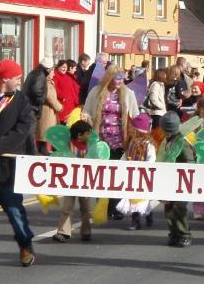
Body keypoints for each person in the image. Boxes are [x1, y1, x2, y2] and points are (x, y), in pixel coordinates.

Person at [82, 64, 140, 219]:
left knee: (118, 175)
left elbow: (135, 115)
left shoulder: (128, 93)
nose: (119, 81)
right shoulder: (96, 92)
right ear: (109, 78)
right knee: (101, 175)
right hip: (100, 140)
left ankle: (114, 206)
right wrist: (85, 116)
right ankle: (102, 206)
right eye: (116, 78)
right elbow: (86, 110)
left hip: (120, 141)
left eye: (121, 78)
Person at [0, 59, 36, 266]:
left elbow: (23, 129)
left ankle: (25, 244)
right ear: (5, 79)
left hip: (7, 168)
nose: (20, 81)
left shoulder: (21, 101)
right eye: (17, 78)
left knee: (14, 211)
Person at [52, 121, 95, 243]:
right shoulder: (68, 145)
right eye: (88, 134)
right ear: (80, 135)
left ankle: (86, 231)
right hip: (70, 181)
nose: (90, 136)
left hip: (85, 181)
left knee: (85, 207)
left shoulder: (90, 146)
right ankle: (63, 232)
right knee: (67, 207)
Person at [157, 111, 194, 247]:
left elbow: (189, 162)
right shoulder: (167, 140)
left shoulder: (182, 142)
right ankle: (174, 233)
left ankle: (184, 234)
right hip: (167, 181)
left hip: (180, 181)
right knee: (169, 209)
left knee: (180, 208)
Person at [116, 114, 157, 230]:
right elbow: (125, 155)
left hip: (143, 175)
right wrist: (122, 164)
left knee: (142, 199)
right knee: (133, 198)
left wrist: (143, 168)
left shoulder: (148, 145)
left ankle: (144, 216)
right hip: (132, 175)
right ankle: (136, 220)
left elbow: (151, 159)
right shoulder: (131, 143)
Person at [22, 55, 54, 153]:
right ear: (48, 68)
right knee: (30, 132)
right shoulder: (40, 75)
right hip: (32, 107)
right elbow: (36, 91)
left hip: (29, 106)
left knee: (29, 131)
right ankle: (31, 154)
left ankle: (30, 152)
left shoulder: (35, 72)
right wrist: (41, 99)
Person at [35, 65, 63, 154]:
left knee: (45, 130)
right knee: (45, 130)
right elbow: (50, 97)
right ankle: (42, 149)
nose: (54, 74)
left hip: (49, 110)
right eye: (52, 72)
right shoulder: (46, 83)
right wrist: (59, 107)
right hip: (46, 110)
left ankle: (42, 148)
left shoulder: (49, 82)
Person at [53, 59, 80, 124]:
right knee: (62, 123)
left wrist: (76, 101)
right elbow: (55, 88)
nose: (64, 69)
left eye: (65, 67)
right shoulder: (55, 76)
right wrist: (62, 97)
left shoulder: (67, 77)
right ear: (58, 67)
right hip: (62, 104)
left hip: (70, 105)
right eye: (63, 67)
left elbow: (72, 90)